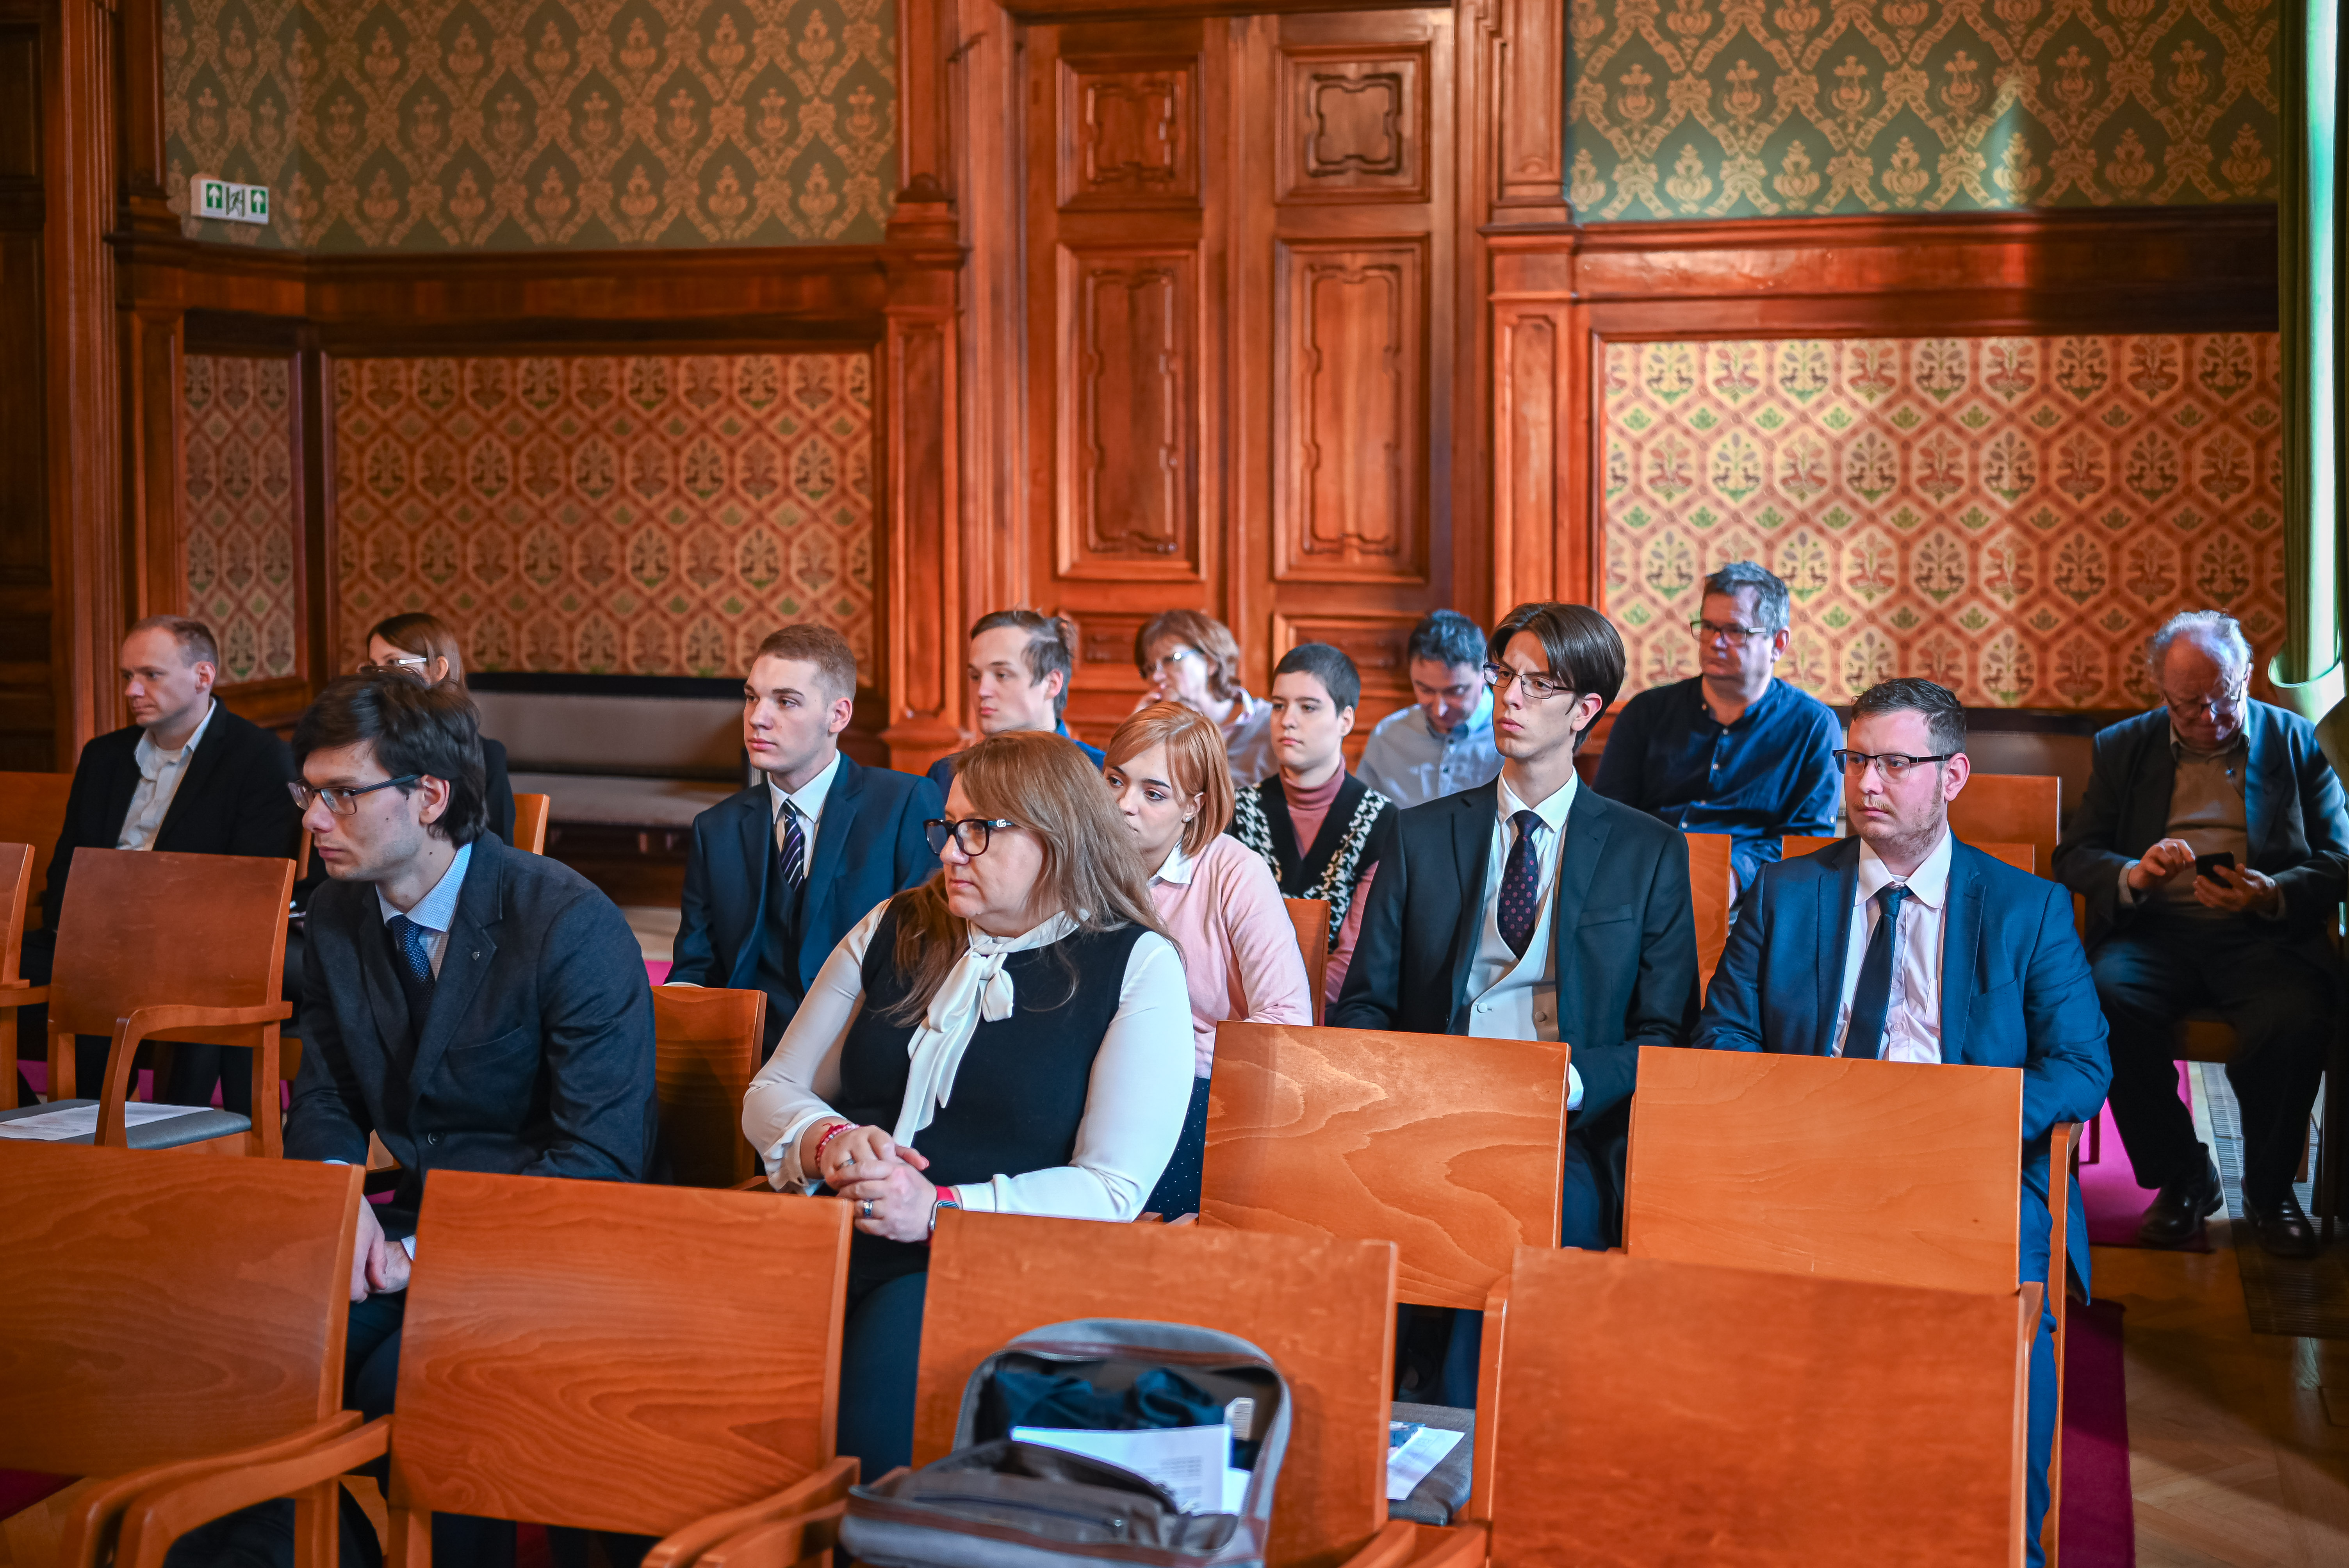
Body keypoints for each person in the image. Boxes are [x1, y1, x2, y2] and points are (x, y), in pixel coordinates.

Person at [1695, 677, 2110, 1568]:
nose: (1866, 783)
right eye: (1854, 761)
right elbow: (1722, 1035)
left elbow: (2082, 1067)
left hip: (1966, 1173)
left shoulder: (2026, 908)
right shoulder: (1785, 892)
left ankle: (2003, 1543)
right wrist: (1797, 1118)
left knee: (2003, 1328)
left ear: (1951, 775)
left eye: (1893, 763)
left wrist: (1961, 1122)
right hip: (1809, 1163)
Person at [741, 731, 1192, 1477]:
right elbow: (772, 1090)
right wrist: (828, 1142)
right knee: (677, 1348)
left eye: (980, 830)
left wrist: (940, 1208)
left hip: (1002, 1262)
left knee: (878, 1383)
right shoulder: (896, 924)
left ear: (1055, 836)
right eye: (948, 827)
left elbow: (1112, 1187)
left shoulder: (1135, 963)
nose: (951, 851)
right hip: (835, 1227)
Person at [280, 672, 655, 1568]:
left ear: (430, 796)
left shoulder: (563, 919)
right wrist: (341, 1206)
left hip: (562, 1237)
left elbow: (599, 1159)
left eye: (343, 794)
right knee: (268, 1351)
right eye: (308, 792)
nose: (315, 819)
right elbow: (328, 1092)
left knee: (404, 1384)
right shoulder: (334, 911)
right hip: (416, 1217)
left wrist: (420, 1254)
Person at [1333, 602, 1699, 1253]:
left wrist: (1572, 1085)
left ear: (1584, 710)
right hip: (1429, 1110)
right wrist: (1403, 1093)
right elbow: (1366, 1004)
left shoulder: (1649, 852)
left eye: (1539, 684)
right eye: (1504, 675)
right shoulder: (1419, 835)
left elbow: (1665, 1033)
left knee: (1540, 1233)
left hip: (1569, 1126)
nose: (1510, 697)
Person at [2053, 611, 2347, 1259]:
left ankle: (2270, 1194)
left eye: (2223, 698)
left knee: (2295, 1017)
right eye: (2188, 706)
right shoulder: (2123, 747)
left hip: (2262, 938)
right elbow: (2075, 855)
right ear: (2161, 690)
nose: (2210, 718)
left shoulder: (2299, 743)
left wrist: (2273, 891)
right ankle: (2184, 1176)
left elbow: (2340, 858)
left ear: (2247, 675)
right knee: (2101, 1002)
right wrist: (2134, 873)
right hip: (2155, 934)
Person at [22, 616, 298, 1112]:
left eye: (151, 674)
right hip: (91, 938)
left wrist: (140, 934)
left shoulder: (259, 758)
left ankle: (107, 1123)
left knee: (119, 990)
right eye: (128, 675)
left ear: (203, 675)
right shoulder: (104, 755)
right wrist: (82, 931)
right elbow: (66, 867)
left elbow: (252, 888)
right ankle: (30, 1117)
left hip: (192, 949)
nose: (132, 690)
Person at [669, 626, 942, 1055]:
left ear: (838, 715)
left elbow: (925, 952)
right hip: (748, 1050)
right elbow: (696, 967)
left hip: (860, 1048)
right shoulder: (716, 828)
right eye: (752, 697)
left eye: (786, 701)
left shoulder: (904, 803)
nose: (757, 718)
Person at [1103, 701, 1314, 1217]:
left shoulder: (1235, 872)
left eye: (1154, 793)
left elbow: (1286, 1021)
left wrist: (1157, 1058)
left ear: (1194, 806)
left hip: (1201, 1092)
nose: (1124, 805)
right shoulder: (1081, 865)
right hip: (1095, 1079)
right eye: (1114, 781)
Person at [1594, 560, 1840, 889]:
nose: (1715, 642)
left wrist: (1735, 877)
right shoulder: (1646, 712)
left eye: (1735, 631)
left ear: (1779, 643)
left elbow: (1807, 838)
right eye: (1708, 626)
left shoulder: (1814, 725)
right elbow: (1609, 814)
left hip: (1754, 896)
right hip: (1645, 879)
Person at [1228, 643, 1397, 1007]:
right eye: (1279, 706)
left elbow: (1355, 958)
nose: (1287, 720)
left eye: (1308, 707)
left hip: (1332, 1016)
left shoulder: (1381, 822)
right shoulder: (1236, 812)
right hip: (1240, 1008)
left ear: (1345, 720)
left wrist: (1286, 1011)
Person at [360, 613, 517, 844]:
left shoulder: (486, 756)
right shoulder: (362, 749)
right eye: (374, 667)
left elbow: (497, 850)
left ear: (436, 670)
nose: (379, 677)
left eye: (393, 663)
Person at [925, 610, 1107, 796]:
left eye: (1002, 675)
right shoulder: (946, 775)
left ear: (1051, 684)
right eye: (975, 676)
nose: (982, 691)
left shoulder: (1103, 774)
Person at [1356, 609, 1503, 808]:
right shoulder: (1388, 737)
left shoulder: (1513, 734)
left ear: (1487, 673)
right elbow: (1365, 817)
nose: (1439, 710)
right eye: (1425, 690)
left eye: (1456, 691)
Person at [1132, 609, 1277, 788]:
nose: (1156, 677)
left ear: (1210, 662)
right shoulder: (1158, 733)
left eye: (1170, 660)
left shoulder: (1273, 724)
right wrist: (1137, 735)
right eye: (1149, 669)